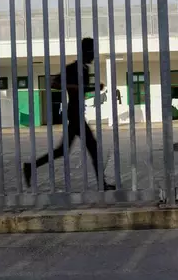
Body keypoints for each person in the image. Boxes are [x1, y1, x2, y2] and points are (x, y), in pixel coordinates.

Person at [24, 37, 116, 191]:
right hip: (74, 115)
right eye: (92, 51)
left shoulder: (84, 68)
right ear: (85, 52)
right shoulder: (73, 68)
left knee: (62, 150)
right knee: (92, 148)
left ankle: (30, 167)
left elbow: (81, 87)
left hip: (77, 113)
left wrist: (90, 87)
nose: (94, 54)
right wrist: (82, 87)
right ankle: (102, 185)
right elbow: (54, 83)